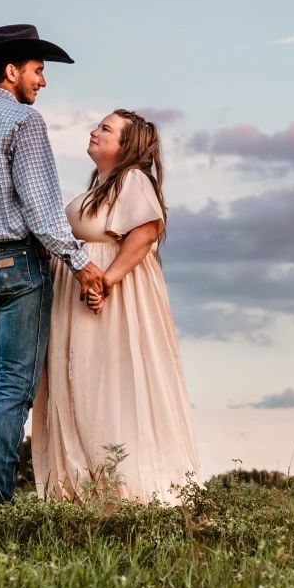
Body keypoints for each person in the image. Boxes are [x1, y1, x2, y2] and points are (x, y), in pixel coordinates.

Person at [0, 24, 107, 504]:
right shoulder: (23, 122)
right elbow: (40, 206)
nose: (42, 81)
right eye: (37, 70)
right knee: (14, 392)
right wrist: (79, 262)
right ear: (12, 71)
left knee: (4, 392)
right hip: (17, 266)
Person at [32, 109, 201, 504]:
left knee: (108, 385)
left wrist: (106, 280)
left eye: (105, 128)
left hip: (112, 301)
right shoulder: (100, 187)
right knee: (80, 384)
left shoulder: (133, 180)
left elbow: (145, 231)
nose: (94, 131)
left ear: (126, 145)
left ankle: (123, 491)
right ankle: (82, 488)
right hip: (81, 300)